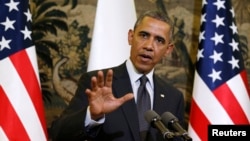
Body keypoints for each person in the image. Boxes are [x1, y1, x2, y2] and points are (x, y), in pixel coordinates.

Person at [50, 10, 185, 141]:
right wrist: (92, 115)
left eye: (159, 40)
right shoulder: (97, 82)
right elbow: (58, 133)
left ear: (168, 49)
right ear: (131, 37)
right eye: (144, 35)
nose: (149, 46)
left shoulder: (174, 97)